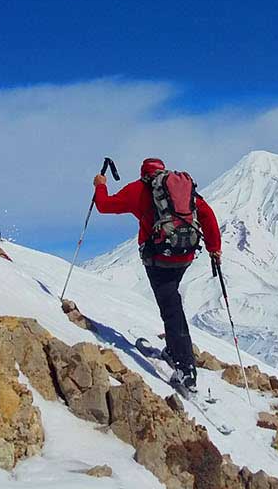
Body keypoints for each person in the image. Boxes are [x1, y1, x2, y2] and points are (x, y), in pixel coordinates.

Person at [93, 157, 221, 391]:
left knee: (171, 307)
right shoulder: (182, 190)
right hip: (184, 256)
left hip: (158, 259)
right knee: (172, 302)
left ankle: (185, 368)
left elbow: (104, 205)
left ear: (144, 172)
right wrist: (215, 249)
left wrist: (100, 184)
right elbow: (207, 215)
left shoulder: (138, 189)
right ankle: (174, 351)